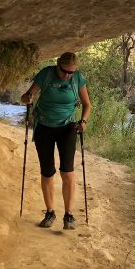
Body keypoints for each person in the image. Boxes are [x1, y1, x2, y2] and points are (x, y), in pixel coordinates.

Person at [20, 52, 92, 229]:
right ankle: (50, 212)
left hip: (67, 127)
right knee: (47, 172)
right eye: (64, 71)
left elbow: (87, 104)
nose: (67, 75)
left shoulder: (78, 79)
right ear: (58, 65)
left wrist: (83, 121)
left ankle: (69, 215)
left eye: (71, 72)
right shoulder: (46, 74)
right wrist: (27, 98)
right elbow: (28, 95)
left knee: (67, 171)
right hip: (44, 127)